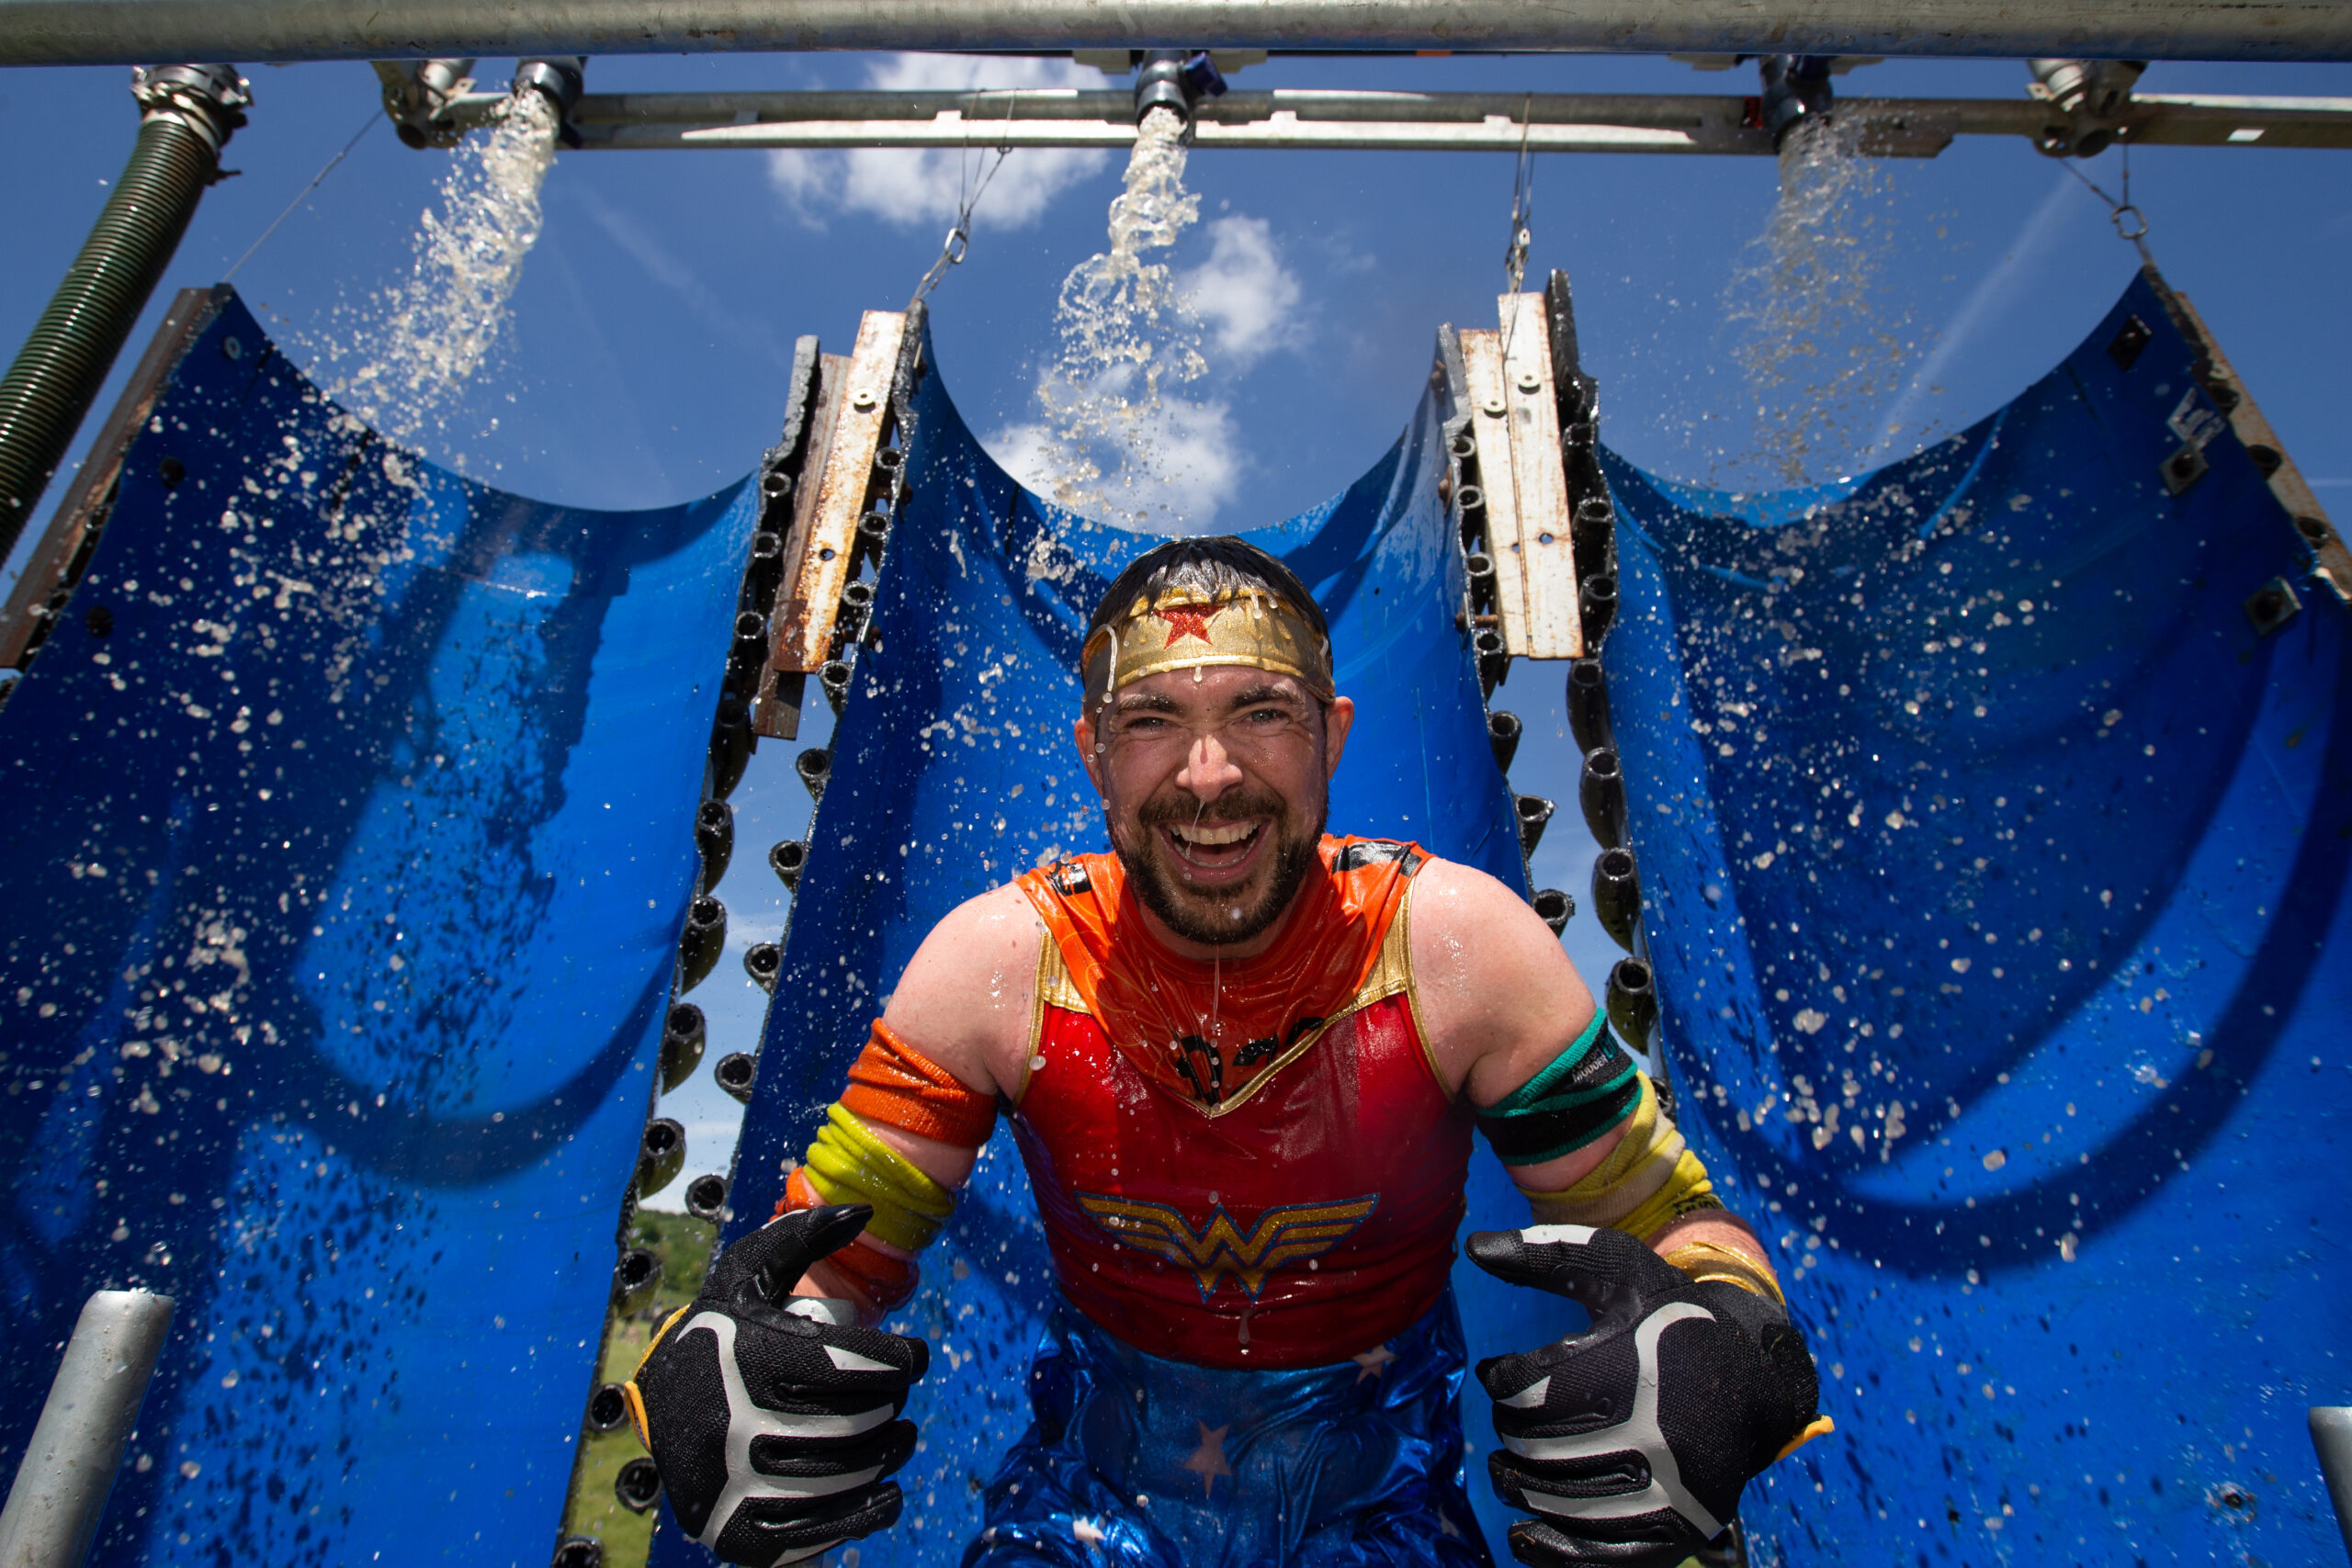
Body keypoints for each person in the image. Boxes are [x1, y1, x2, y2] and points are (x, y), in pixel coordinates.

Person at [626, 537, 1828, 1568]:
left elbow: (1679, 1231)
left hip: (1380, 1511)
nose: (1211, 778)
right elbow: (826, 1262)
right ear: (1096, 752)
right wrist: (731, 1358)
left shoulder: (1458, 954)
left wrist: (1728, 1346)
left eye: (1261, 712)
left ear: (1332, 736)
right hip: (1086, 1515)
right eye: (1156, 722)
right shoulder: (998, 969)